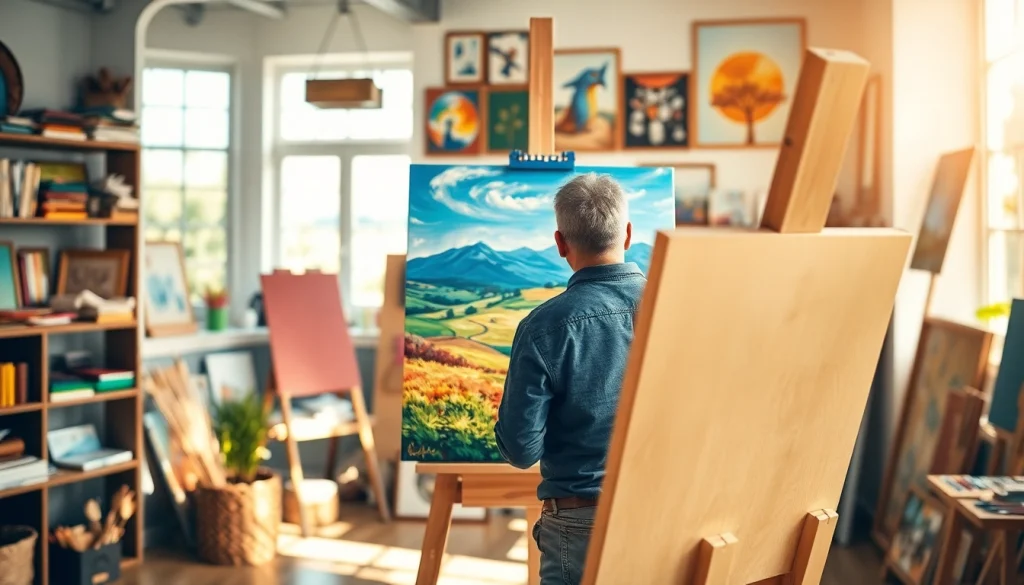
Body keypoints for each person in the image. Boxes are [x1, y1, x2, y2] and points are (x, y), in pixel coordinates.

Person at [494, 173, 646, 585]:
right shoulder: (681, 304)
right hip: (669, 511)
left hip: (581, 521)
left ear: (561, 243)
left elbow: (521, 450)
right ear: (628, 234)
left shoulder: (543, 328)